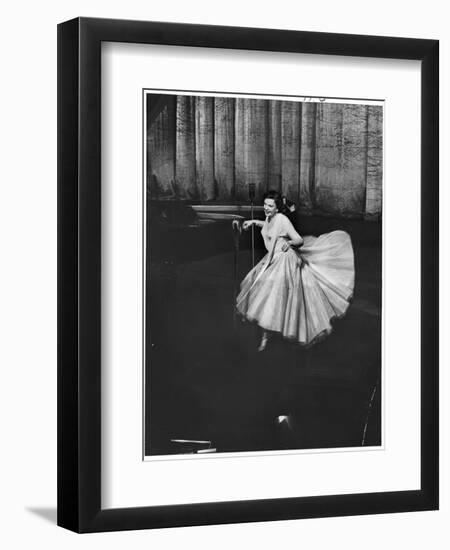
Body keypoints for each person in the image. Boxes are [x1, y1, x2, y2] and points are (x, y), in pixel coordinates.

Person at [236, 190, 354, 351]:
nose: (266, 208)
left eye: (270, 206)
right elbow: (269, 227)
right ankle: (267, 333)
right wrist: (254, 222)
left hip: (285, 259)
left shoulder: (283, 219)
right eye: (265, 204)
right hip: (273, 257)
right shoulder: (270, 218)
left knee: (274, 294)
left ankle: (273, 333)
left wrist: (290, 243)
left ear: (277, 208)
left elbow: (298, 239)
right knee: (264, 290)